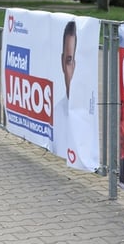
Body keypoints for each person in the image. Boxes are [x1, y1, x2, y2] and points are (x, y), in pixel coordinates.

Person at [52, 20, 76, 158]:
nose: (71, 70)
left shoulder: (91, 111)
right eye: (68, 61)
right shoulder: (55, 115)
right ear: (62, 63)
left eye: (73, 61)